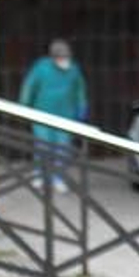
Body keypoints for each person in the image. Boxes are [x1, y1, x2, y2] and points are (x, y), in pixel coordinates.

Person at [18, 38, 88, 193]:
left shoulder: (74, 70)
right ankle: (39, 175)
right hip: (42, 113)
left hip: (65, 115)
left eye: (66, 57)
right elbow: (29, 87)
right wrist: (24, 106)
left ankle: (58, 178)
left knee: (62, 147)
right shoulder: (41, 68)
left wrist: (82, 106)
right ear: (54, 57)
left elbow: (79, 89)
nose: (64, 61)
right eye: (61, 58)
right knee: (43, 145)